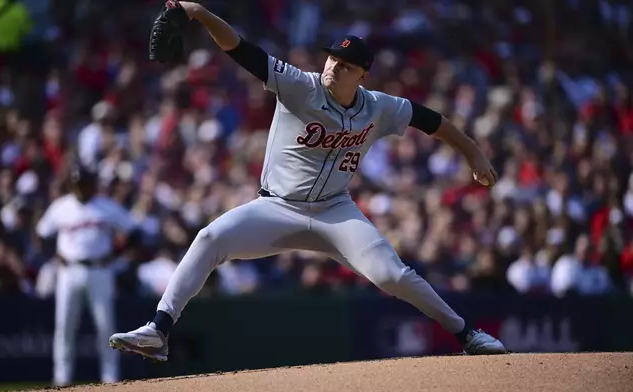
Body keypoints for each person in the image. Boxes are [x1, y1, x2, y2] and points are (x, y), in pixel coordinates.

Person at [109, 0, 507, 361]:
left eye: (346, 65)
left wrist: (472, 151)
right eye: (333, 59)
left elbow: (432, 121)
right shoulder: (301, 85)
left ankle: (467, 333)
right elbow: (241, 50)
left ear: (363, 75)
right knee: (210, 238)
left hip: (336, 210)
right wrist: (199, 13)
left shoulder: (380, 107)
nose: (334, 66)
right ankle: (159, 330)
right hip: (277, 207)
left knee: (392, 275)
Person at [36, 165, 140, 386]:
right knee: (65, 325)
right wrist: (54, 255)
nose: (81, 188)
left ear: (92, 184)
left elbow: (133, 232)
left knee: (105, 325)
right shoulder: (61, 207)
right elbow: (42, 234)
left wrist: (115, 255)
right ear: (72, 185)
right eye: (77, 183)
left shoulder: (105, 206)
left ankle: (110, 377)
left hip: (99, 270)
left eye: (84, 183)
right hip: (68, 271)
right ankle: (62, 377)